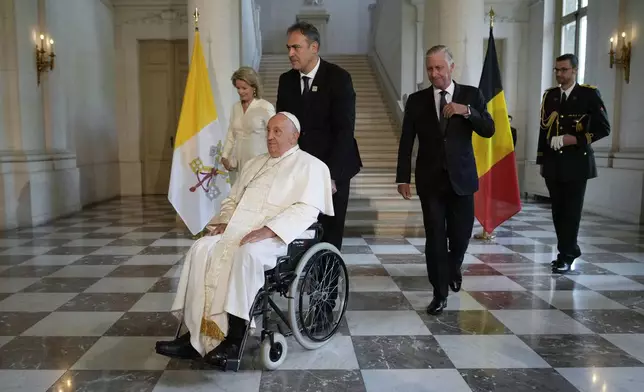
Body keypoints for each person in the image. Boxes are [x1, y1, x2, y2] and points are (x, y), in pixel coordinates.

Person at [155, 112, 334, 367]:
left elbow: (305, 210)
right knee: (201, 247)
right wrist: (225, 222)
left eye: (277, 132)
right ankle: (195, 336)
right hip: (239, 229)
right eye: (268, 131)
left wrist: (270, 229)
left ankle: (234, 338)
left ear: (295, 136)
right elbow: (232, 200)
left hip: (281, 237)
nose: (270, 137)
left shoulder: (312, 166)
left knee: (247, 254)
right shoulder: (253, 163)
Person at [396, 45, 495, 315]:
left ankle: (453, 266)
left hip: (462, 179)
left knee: (461, 235)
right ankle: (439, 293)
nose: (434, 73)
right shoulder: (416, 100)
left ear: (452, 67)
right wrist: (402, 177)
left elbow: (489, 129)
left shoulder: (471, 95)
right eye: (430, 68)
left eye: (439, 67)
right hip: (430, 181)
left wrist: (467, 111)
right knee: (435, 238)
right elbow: (407, 140)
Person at [275, 21, 362, 250]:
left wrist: (330, 175)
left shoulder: (338, 78)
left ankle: (329, 285)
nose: (291, 53)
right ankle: (305, 284)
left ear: (314, 47)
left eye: (296, 47)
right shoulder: (286, 81)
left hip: (333, 168)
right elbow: (284, 127)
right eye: (288, 48)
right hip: (300, 170)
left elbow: (344, 130)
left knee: (329, 236)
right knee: (301, 233)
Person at [537, 53, 610, 274]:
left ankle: (566, 255)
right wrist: (541, 160)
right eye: (557, 70)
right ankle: (568, 250)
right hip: (553, 163)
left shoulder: (588, 94)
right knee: (558, 211)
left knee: (571, 212)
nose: (559, 74)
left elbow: (603, 128)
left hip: (577, 163)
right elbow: (543, 130)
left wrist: (575, 139)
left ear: (575, 70)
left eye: (564, 70)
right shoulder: (550, 96)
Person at [221, 66, 276, 185]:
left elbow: (274, 135)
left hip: (260, 162)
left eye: (244, 88)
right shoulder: (235, 107)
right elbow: (231, 133)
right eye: (238, 88)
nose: (240, 92)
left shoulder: (265, 107)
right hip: (237, 162)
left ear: (254, 87)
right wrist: (225, 155)